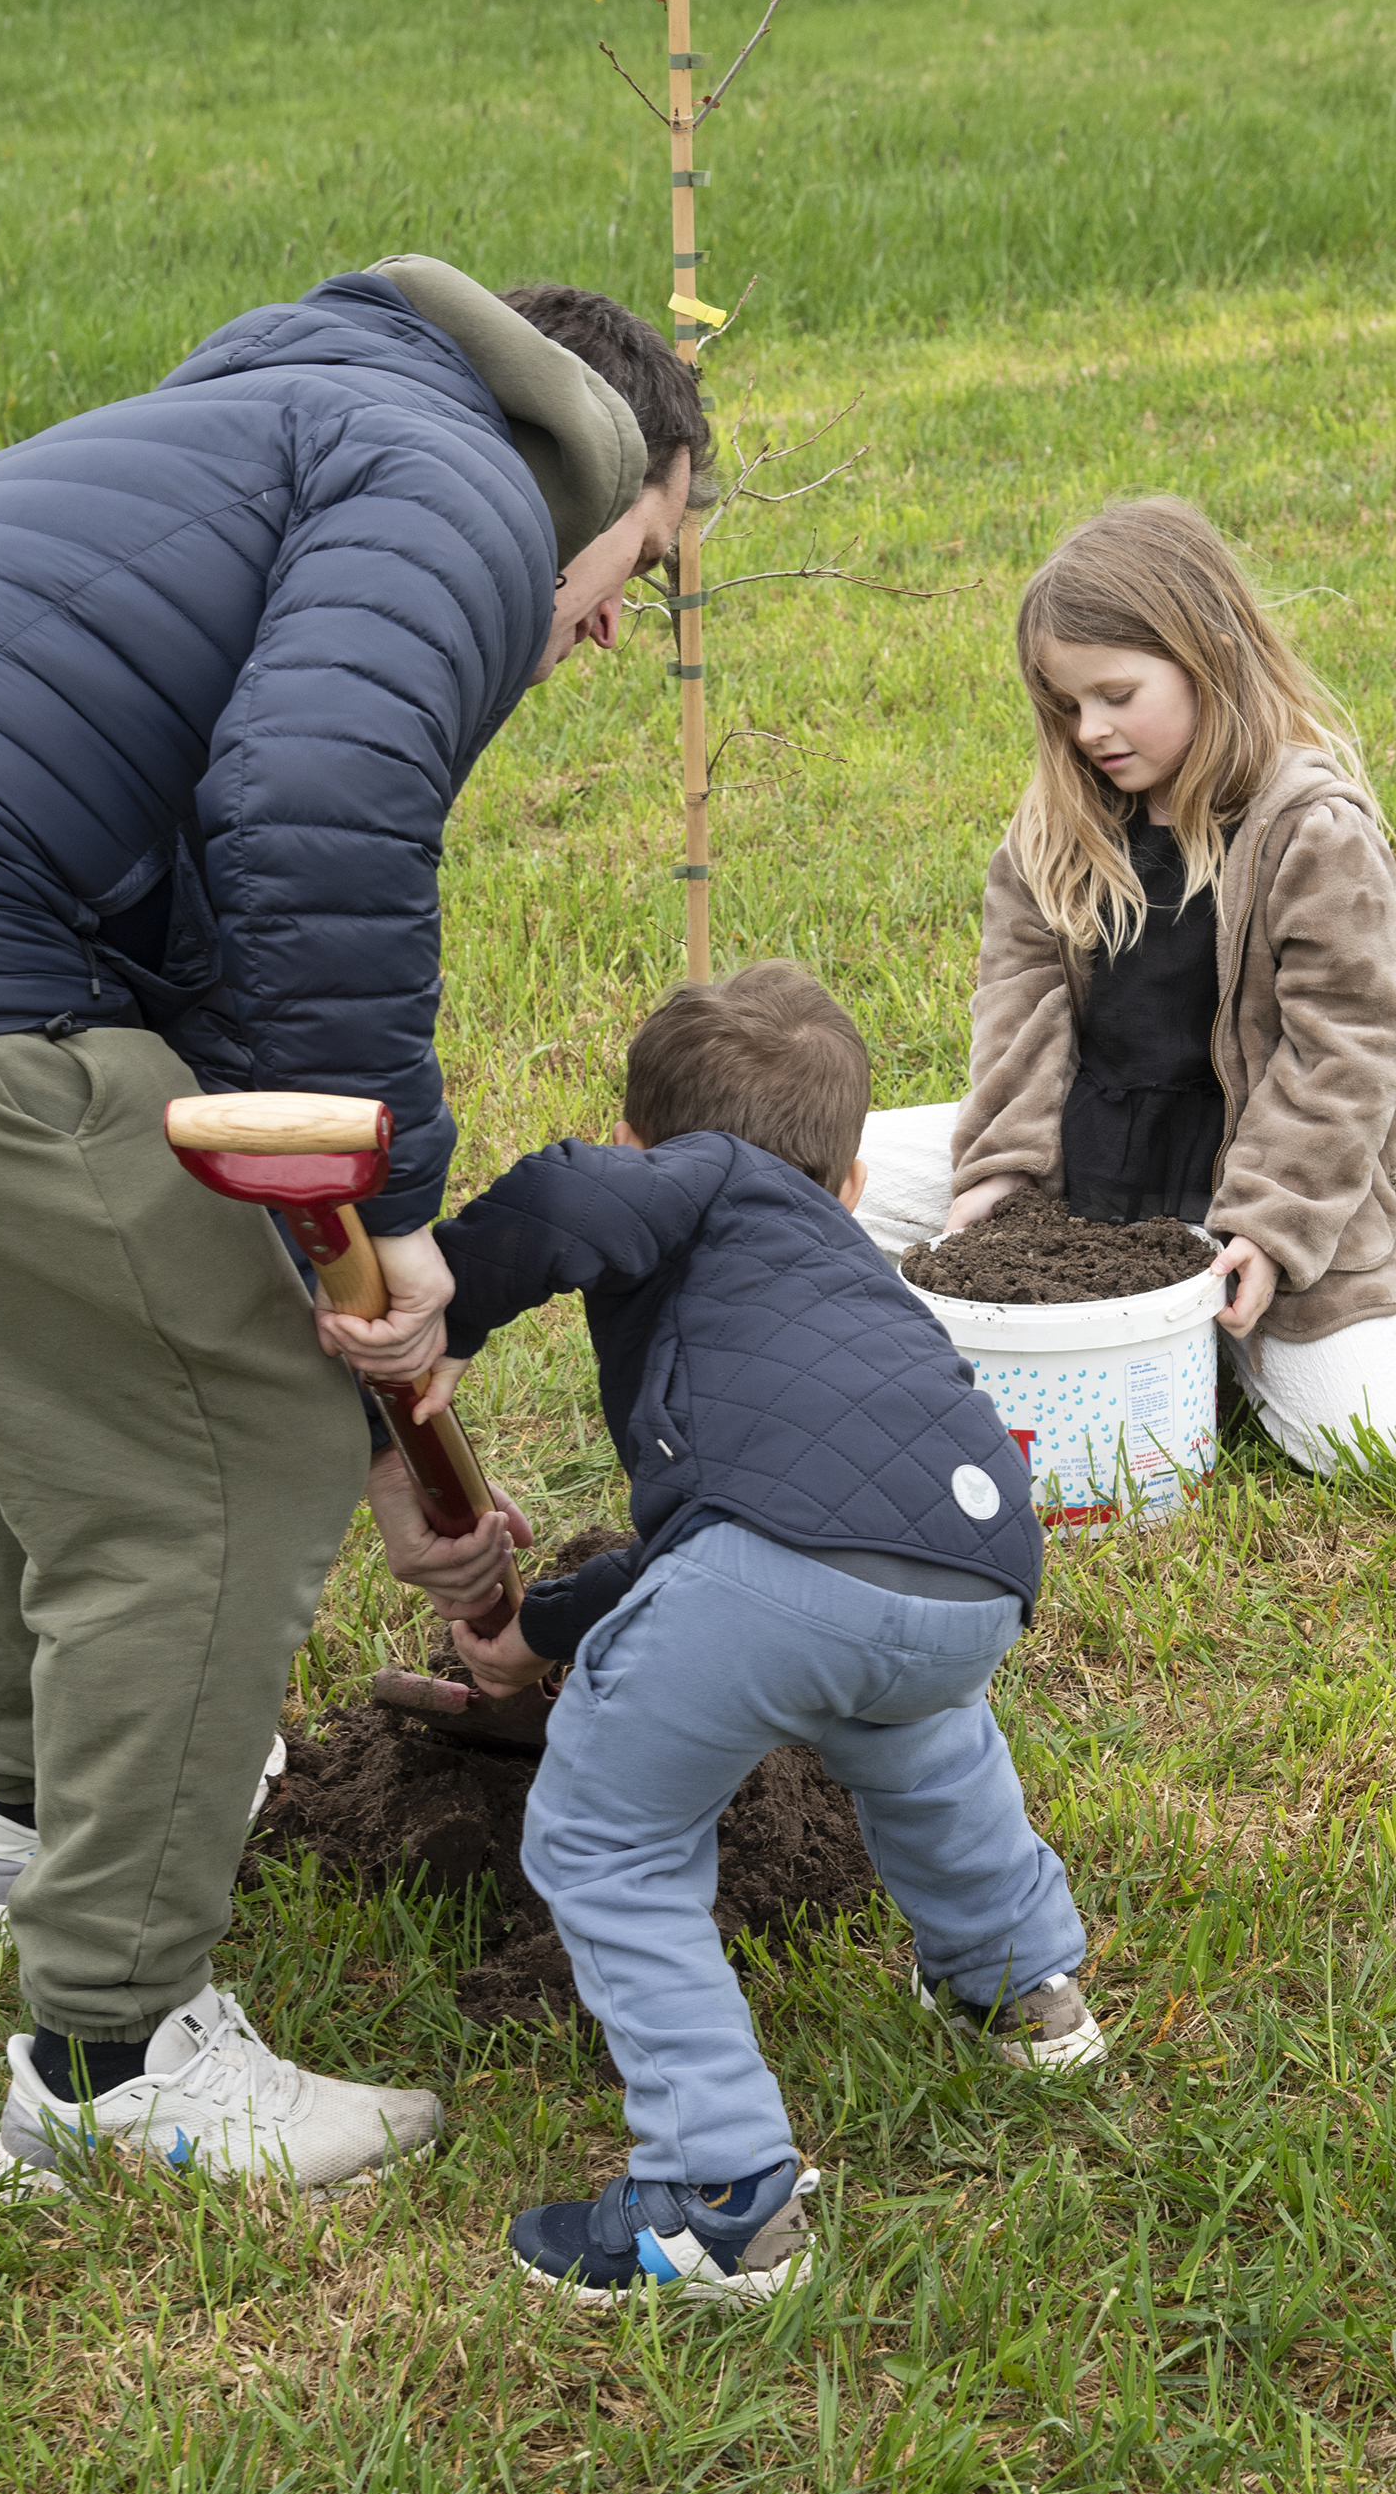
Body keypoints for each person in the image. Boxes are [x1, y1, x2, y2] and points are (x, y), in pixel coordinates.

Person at [0, 257, 695, 2196]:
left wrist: (380, 1398)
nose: (603, 628)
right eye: (642, 568)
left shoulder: (284, 431)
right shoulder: (464, 486)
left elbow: (212, 972)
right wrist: (397, 1221)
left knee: (43, 1347)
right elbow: (317, 815)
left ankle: (32, 1842)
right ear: (596, 467)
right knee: (207, 1442)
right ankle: (110, 2061)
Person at [414, 962, 1104, 2311]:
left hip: (781, 1564)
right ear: (852, 1179)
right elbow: (721, 1541)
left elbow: (557, 1200)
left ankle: (713, 2197)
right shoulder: (847, 1265)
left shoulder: (706, 1179)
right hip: (968, 1558)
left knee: (604, 1835)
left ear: (640, 1146)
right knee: (915, 1734)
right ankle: (1018, 1988)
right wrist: (540, 1624)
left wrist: (436, 1309)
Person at [858, 497, 1396, 1475]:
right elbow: (1018, 1008)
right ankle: (930, 1357)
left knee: (1372, 1444)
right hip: (1080, 1164)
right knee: (816, 1172)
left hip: (1253, 1185)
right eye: (1066, 704)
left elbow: (1344, 1054)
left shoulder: (1313, 831)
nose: (1088, 729)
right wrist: (998, 1170)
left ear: (1207, 653)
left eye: (1116, 694)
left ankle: (1218, 1330)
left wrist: (1266, 1228)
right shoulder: (1056, 825)